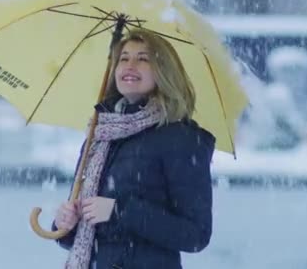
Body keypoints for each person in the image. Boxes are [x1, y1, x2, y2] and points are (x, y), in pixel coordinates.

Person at [52, 28, 216, 269]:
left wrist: (119, 211)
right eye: (124, 58)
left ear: (163, 72)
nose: (130, 65)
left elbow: (195, 235)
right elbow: (86, 233)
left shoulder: (180, 138)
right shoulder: (101, 133)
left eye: (143, 59)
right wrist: (67, 222)